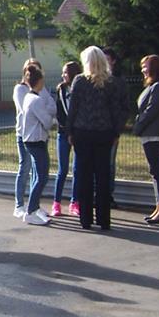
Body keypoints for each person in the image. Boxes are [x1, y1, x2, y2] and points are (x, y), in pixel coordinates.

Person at [66, 46, 127, 231]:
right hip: (104, 133)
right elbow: (117, 110)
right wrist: (116, 132)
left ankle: (86, 219)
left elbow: (73, 108)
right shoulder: (112, 82)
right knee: (103, 176)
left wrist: (69, 132)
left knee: (84, 176)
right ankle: (104, 219)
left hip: (82, 132)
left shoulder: (79, 81)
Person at [133, 55, 159, 224]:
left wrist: (138, 126)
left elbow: (151, 110)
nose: (143, 70)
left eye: (145, 66)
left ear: (154, 68)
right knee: (154, 171)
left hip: (154, 133)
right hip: (148, 133)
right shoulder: (152, 86)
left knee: (157, 171)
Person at [20, 66, 58, 226]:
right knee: (42, 176)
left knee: (40, 176)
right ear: (40, 81)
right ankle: (30, 211)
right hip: (36, 141)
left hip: (32, 141)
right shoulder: (36, 100)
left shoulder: (29, 97)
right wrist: (54, 119)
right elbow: (47, 122)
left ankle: (34, 208)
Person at [52, 61, 81, 218]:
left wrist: (75, 131)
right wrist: (67, 130)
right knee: (62, 169)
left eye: (66, 72)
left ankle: (75, 202)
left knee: (77, 169)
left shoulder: (80, 88)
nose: (63, 75)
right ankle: (56, 203)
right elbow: (59, 113)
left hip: (78, 134)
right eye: (62, 72)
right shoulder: (61, 90)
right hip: (63, 134)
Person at [12, 59, 41, 218]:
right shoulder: (20, 89)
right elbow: (25, 109)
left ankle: (34, 205)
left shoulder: (40, 90)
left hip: (37, 135)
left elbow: (47, 106)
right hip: (23, 134)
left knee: (36, 170)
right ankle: (19, 205)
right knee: (25, 167)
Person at [102, 47, 130, 209]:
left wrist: (117, 128)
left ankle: (108, 195)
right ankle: (96, 194)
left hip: (112, 130)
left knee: (109, 164)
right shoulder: (93, 80)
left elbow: (124, 108)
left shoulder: (119, 82)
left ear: (113, 61)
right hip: (96, 130)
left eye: (107, 59)